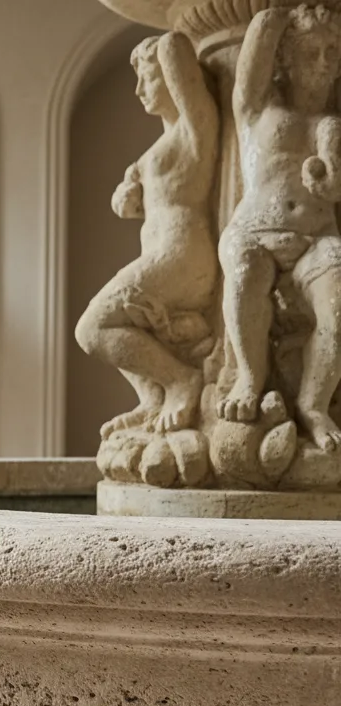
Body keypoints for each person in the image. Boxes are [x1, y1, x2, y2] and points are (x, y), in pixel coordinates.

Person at [74, 31, 219, 439]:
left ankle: (180, 381)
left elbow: (174, 45)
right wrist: (130, 197)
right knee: (106, 327)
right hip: (163, 258)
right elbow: (136, 204)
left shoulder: (194, 130)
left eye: (148, 77)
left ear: (174, 79)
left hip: (183, 256)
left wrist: (165, 43)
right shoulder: (156, 150)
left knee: (92, 328)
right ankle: (153, 395)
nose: (139, 90)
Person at [218, 4, 341, 450]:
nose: (324, 63)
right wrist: (272, 21)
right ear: (286, 59)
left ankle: (313, 403)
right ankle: (249, 378)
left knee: (340, 302)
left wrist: (326, 180)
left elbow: (335, 178)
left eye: (333, 52)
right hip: (255, 231)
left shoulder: (329, 124)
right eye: (312, 52)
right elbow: (248, 73)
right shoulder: (258, 112)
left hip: (316, 239)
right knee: (245, 272)